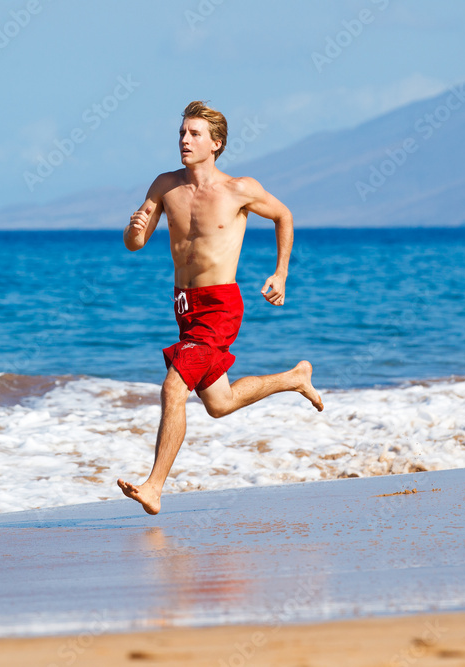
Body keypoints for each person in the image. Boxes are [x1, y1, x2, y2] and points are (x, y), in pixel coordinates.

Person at [117, 101, 324, 515]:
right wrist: (134, 230)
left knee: (174, 387)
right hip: (183, 305)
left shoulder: (239, 189)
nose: (185, 141)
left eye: (194, 134)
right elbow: (134, 244)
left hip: (219, 306)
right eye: (182, 133)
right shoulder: (164, 186)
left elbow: (283, 216)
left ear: (217, 143)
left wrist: (280, 273)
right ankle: (295, 378)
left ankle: (154, 487)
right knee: (220, 403)